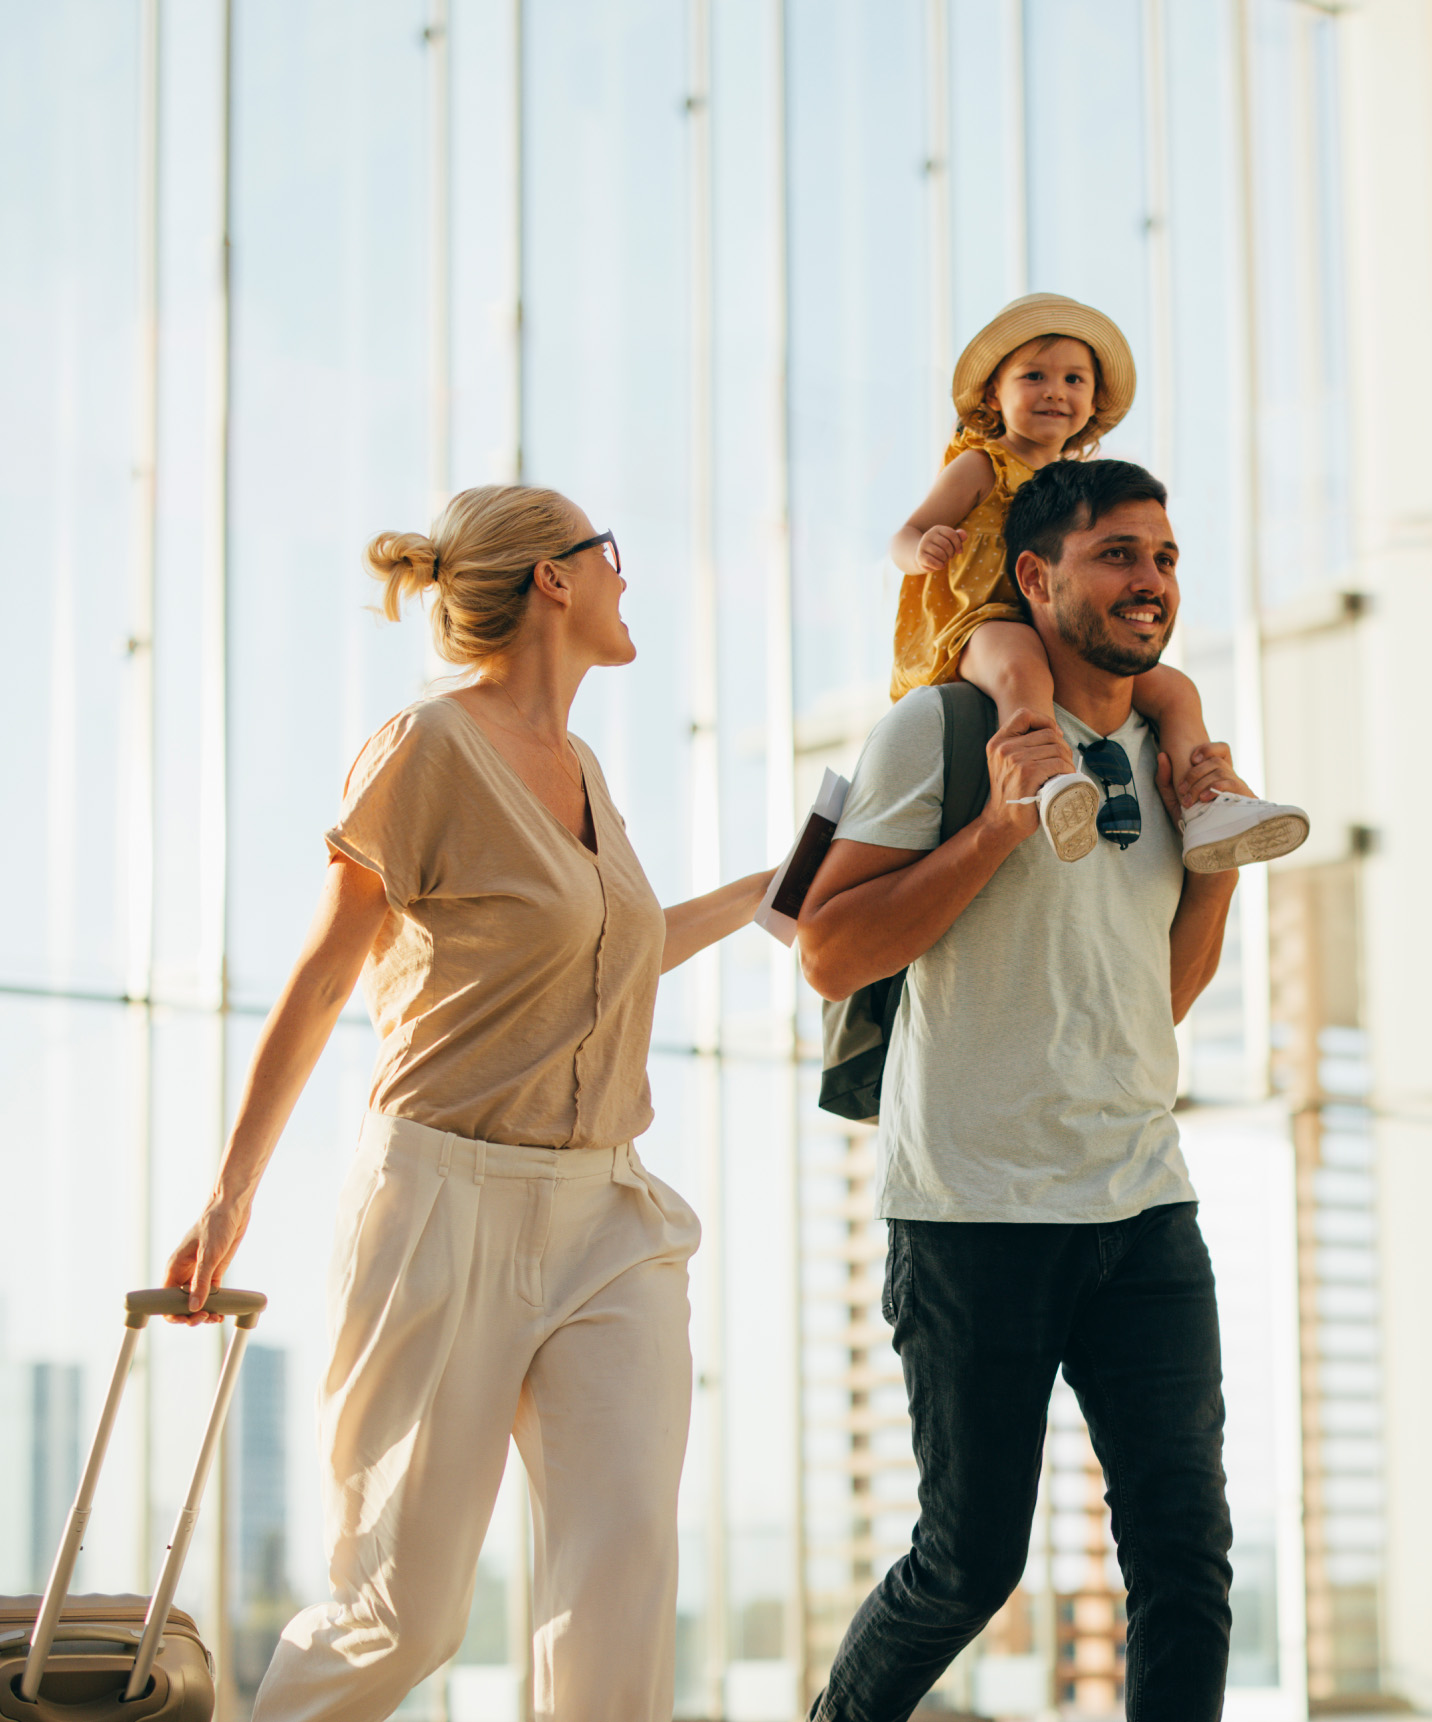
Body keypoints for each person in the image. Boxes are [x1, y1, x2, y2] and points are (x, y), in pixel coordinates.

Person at [162, 485, 773, 1722]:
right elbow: (328, 970)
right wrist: (229, 1196)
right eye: (613, 555)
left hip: (609, 1214)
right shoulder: (426, 748)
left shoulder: (586, 768)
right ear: (555, 577)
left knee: (619, 1591)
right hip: (444, 1205)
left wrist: (780, 884)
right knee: (402, 1613)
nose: (623, 576)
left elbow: (612, 962)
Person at [799, 459, 1241, 1721]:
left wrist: (1212, 859)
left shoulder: (1168, 745)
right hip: (972, 1213)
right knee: (967, 1564)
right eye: (1116, 555)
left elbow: (1152, 997)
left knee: (1184, 1557)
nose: (1149, 581)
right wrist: (994, 826)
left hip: (1143, 1206)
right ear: (1035, 577)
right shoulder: (935, 728)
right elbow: (826, 947)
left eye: (1161, 557)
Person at [889, 292, 1308, 870]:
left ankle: (1209, 800)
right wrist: (923, 550)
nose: (1055, 390)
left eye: (1074, 379)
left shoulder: (1083, 486)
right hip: (984, 619)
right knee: (1020, 667)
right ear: (993, 394)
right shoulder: (981, 464)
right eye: (1033, 375)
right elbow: (907, 531)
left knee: (1176, 690)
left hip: (1060, 624)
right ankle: (1047, 779)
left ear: (1092, 401)